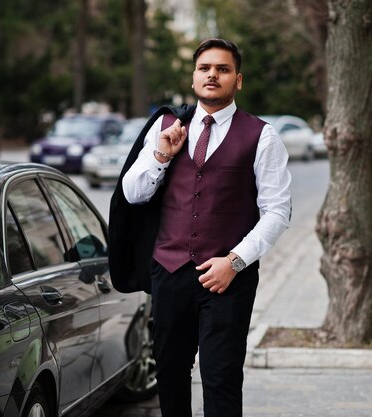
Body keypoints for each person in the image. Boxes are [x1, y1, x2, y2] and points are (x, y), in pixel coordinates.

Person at [108, 38, 292, 417]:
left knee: (221, 379)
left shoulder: (262, 135)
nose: (212, 75)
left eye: (222, 69)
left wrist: (235, 262)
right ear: (194, 76)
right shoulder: (166, 125)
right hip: (169, 274)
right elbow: (132, 193)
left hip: (228, 280)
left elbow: (277, 211)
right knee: (171, 377)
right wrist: (161, 154)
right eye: (205, 68)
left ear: (237, 80)